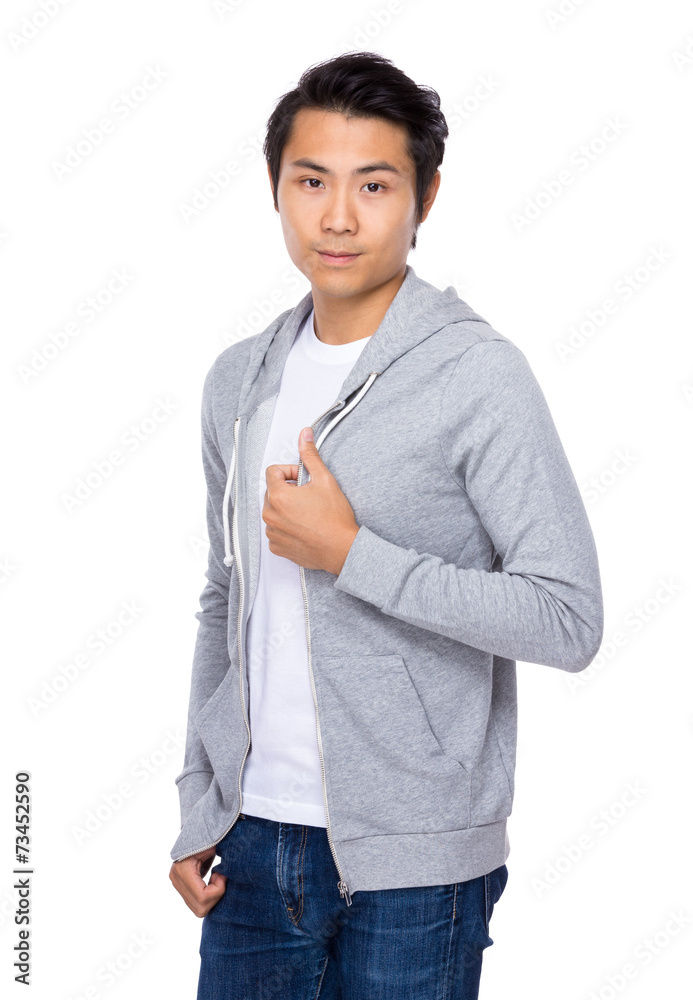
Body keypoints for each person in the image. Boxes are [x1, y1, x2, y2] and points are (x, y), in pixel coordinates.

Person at [168, 50, 604, 999]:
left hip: (419, 869)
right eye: (310, 181)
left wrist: (351, 554)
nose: (337, 216)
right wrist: (200, 798)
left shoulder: (477, 374)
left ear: (425, 197)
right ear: (275, 189)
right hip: (248, 842)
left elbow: (567, 618)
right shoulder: (238, 380)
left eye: (373, 185)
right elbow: (224, 597)